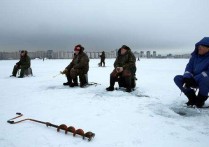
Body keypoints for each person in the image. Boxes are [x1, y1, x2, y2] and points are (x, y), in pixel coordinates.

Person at [174, 37, 209, 108]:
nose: (199, 47)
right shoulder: (194, 57)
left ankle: (200, 101)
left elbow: (207, 73)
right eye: (199, 46)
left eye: (202, 46)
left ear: (208, 48)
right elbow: (189, 67)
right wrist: (187, 77)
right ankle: (192, 98)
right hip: (193, 80)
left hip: (205, 81)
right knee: (177, 78)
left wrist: (194, 79)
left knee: (204, 77)